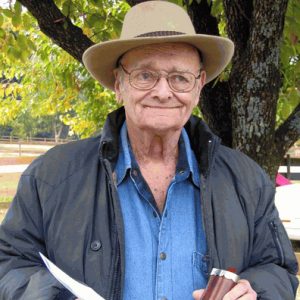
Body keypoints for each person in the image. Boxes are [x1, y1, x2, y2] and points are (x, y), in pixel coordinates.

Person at [0, 1, 298, 299]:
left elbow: (278, 268)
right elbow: (10, 265)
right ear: (119, 84)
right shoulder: (51, 176)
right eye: (145, 75)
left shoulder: (247, 180)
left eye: (180, 78)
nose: (163, 91)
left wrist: (254, 290)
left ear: (199, 87)